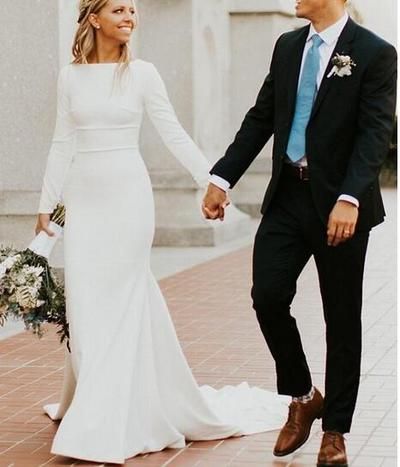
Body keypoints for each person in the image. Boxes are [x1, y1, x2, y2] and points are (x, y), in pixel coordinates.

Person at [36, 0, 289, 464]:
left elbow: (173, 133)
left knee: (125, 296)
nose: (130, 17)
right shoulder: (70, 76)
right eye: (118, 10)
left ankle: (105, 418)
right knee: (88, 301)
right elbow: (61, 141)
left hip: (129, 199)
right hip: (84, 199)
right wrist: (45, 204)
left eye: (133, 10)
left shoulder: (144, 74)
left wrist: (210, 180)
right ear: (94, 18)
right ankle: (93, 399)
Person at [202, 0, 397, 465]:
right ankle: (303, 394)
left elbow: (374, 134)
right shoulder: (287, 47)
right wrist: (221, 177)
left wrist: (350, 198)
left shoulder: (375, 52)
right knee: (267, 295)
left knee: (341, 318)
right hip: (288, 196)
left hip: (340, 205)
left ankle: (335, 432)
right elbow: (261, 117)